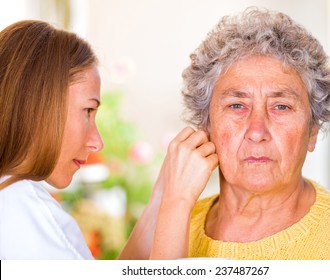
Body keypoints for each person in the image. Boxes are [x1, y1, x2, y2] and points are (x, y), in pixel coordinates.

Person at [181, 7, 330, 259]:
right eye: (237, 105)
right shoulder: (173, 227)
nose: (257, 132)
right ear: (207, 126)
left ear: (313, 130)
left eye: (281, 106)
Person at [0, 20, 218, 260]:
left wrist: (163, 194)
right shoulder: (23, 209)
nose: (97, 143)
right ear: (40, 107)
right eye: (88, 111)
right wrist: (178, 201)